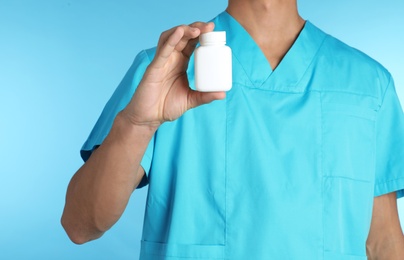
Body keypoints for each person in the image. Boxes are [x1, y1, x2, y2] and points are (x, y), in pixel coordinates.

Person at [61, 0, 404, 259]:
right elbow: (80, 225)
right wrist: (138, 123)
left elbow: (383, 241)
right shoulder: (166, 71)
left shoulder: (368, 84)